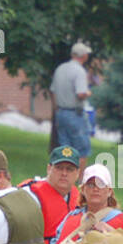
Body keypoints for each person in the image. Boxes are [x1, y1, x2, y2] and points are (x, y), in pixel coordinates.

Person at [48, 163, 123, 244]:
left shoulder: (121, 220)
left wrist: (112, 234)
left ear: (109, 191)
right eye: (90, 184)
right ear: (83, 190)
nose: (95, 188)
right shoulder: (71, 217)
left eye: (101, 184)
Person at [18, 146, 82, 244]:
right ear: (49, 169)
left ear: (77, 173)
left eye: (70, 169)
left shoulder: (80, 197)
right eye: (59, 168)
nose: (64, 173)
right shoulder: (30, 194)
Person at [50, 42, 93, 172]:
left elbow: (52, 91)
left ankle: (62, 179)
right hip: (75, 115)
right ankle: (78, 183)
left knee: (64, 151)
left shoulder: (60, 68)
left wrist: (56, 109)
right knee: (81, 149)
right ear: (84, 56)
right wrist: (88, 93)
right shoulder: (79, 71)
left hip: (60, 113)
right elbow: (80, 94)